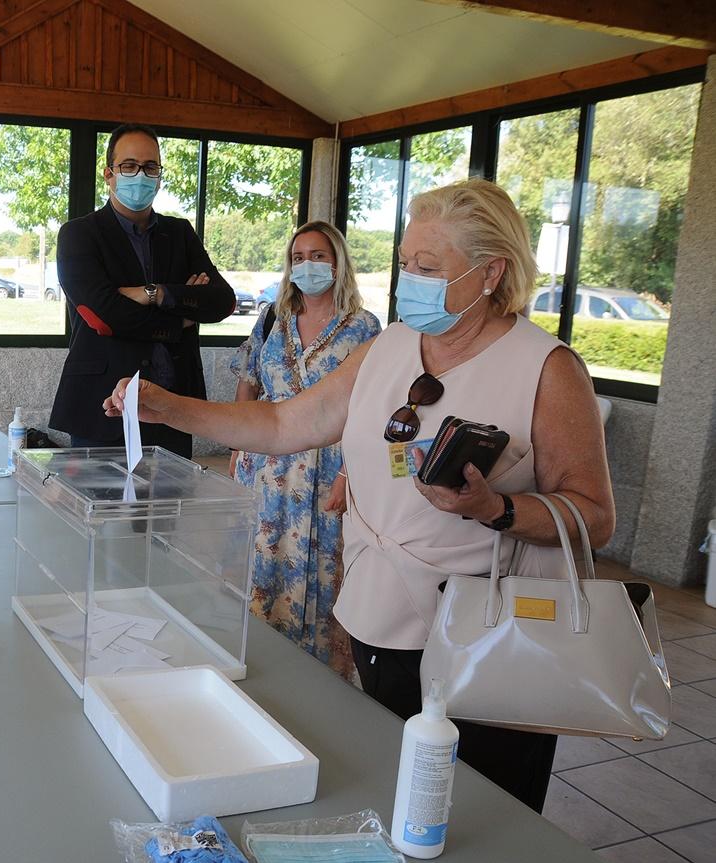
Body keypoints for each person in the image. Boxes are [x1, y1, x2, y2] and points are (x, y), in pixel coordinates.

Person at [104, 178, 613, 812]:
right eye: (404, 263)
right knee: (387, 786)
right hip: (377, 615)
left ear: (491, 273)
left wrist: (498, 508)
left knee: (483, 809)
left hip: (486, 641)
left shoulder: (548, 367)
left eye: (428, 268)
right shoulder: (388, 348)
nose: (410, 281)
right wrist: (167, 407)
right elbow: (285, 424)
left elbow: (593, 516)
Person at [229, 221, 380, 680]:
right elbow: (248, 379)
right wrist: (239, 441)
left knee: (325, 569)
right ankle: (263, 667)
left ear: (338, 263)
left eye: (318, 256)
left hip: (329, 467)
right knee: (261, 562)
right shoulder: (272, 319)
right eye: (298, 257)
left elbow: (371, 408)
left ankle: (321, 679)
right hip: (268, 465)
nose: (307, 265)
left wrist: (347, 475)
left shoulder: (365, 328)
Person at [49, 123, 235, 458]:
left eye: (151, 166)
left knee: (168, 508)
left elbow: (221, 301)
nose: (141, 174)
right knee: (101, 509)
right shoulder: (79, 235)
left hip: (174, 406)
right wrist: (180, 319)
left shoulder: (179, 233)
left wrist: (157, 293)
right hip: (104, 405)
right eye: (129, 166)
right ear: (109, 174)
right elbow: (103, 315)